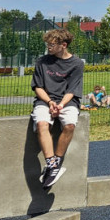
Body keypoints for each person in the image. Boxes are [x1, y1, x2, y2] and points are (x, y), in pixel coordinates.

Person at [31, 28, 84, 190]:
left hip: (67, 102)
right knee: (42, 124)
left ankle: (56, 163)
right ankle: (52, 165)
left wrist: (60, 105)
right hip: (45, 100)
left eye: (52, 44)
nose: (49, 47)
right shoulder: (42, 62)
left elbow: (72, 90)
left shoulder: (77, 64)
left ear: (64, 45)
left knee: (69, 125)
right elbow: (37, 87)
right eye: (48, 44)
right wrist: (49, 102)